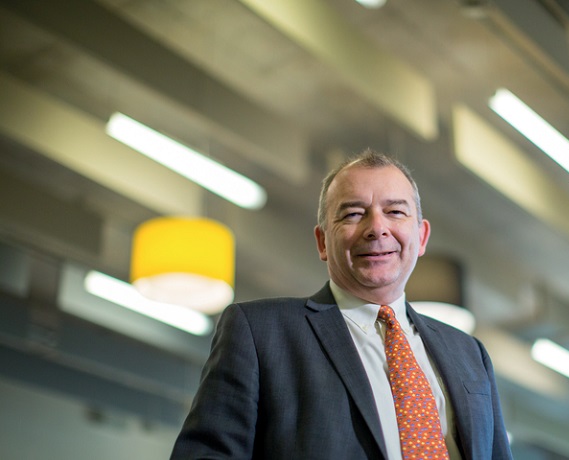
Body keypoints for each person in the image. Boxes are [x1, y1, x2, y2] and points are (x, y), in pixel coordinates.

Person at [170, 150, 513, 459]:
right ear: (322, 241)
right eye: (352, 214)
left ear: (421, 237)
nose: (376, 228)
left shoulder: (470, 355)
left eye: (395, 211)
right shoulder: (259, 332)